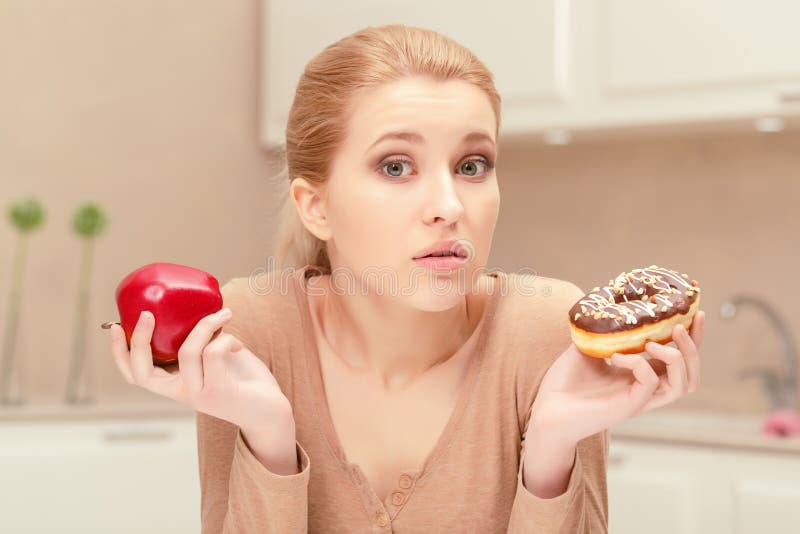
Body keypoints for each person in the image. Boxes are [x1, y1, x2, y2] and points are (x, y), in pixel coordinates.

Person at [108, 23, 705, 533]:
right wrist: (269, 437)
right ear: (315, 205)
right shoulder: (249, 330)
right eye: (397, 166)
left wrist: (549, 452)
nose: (449, 205)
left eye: (473, 165)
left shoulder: (544, 333)